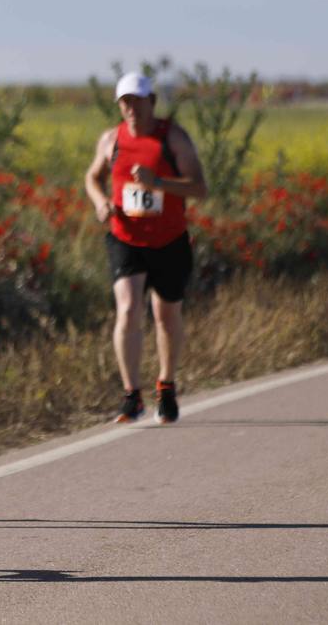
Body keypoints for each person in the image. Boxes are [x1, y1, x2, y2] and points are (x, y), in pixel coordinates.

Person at [84, 71, 207, 424]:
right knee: (127, 310)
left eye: (138, 100)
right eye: (125, 101)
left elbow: (199, 188)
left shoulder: (174, 138)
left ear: (152, 101)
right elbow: (92, 176)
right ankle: (131, 396)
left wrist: (160, 183)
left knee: (166, 315)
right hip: (125, 236)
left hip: (169, 240)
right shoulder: (112, 140)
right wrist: (99, 201)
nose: (131, 108)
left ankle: (166, 386)